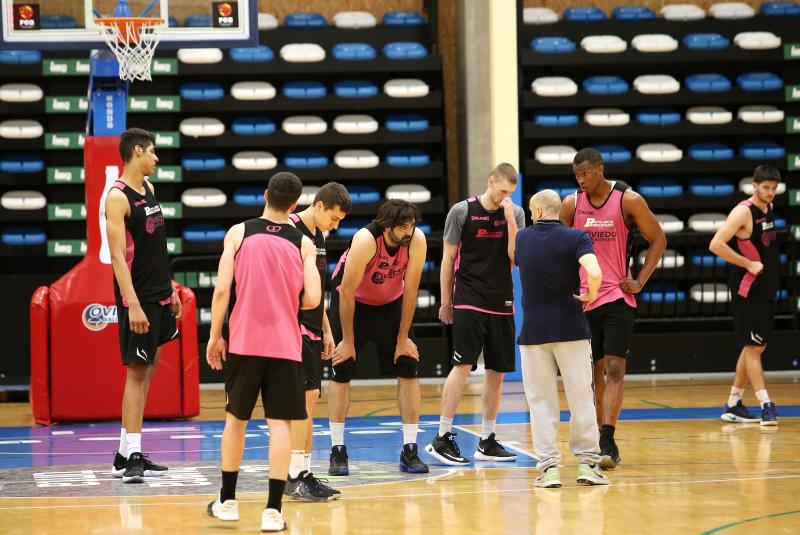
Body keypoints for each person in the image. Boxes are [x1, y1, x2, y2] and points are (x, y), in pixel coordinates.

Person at [205, 172, 321, 532]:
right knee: (281, 425)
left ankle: (227, 501)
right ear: (294, 205)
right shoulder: (303, 243)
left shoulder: (239, 232)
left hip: (243, 342)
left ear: (266, 194)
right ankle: (272, 511)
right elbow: (313, 299)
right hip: (286, 345)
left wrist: (214, 336)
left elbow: (223, 290)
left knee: (235, 420)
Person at [560, 148, 666, 469]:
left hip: (618, 299)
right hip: (584, 300)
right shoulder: (570, 205)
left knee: (615, 368)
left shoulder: (627, 200)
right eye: (576, 175)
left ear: (600, 169)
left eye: (586, 174)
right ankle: (593, 435)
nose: (580, 180)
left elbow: (658, 239)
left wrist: (640, 280)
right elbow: (561, 248)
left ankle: (607, 436)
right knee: (592, 374)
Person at [426, 163, 525, 465]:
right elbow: (447, 259)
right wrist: (446, 301)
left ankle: (487, 439)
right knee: (463, 365)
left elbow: (516, 257)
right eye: (502, 190)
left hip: (502, 301)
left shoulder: (516, 214)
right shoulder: (461, 211)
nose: (504, 197)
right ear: (490, 181)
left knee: (497, 372)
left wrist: (510, 221)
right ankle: (442, 436)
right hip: (468, 299)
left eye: (510, 193)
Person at [325, 199, 429, 475]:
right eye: (403, 227)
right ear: (387, 227)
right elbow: (346, 292)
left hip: (389, 304)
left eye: (412, 225)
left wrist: (403, 337)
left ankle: (410, 450)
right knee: (341, 369)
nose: (409, 231)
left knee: (408, 365)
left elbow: (411, 290)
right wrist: (347, 341)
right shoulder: (365, 240)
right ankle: (337, 450)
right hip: (353, 302)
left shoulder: (416, 240)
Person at [516, 190, 609, 488]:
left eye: (532, 211)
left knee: (541, 401)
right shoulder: (577, 237)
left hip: (533, 333)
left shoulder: (522, 238)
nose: (531, 216)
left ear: (540, 212)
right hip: (571, 329)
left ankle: (548, 469)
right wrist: (591, 295)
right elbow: (594, 271)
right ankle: (588, 466)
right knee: (581, 398)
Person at [106, 127, 180, 484]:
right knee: (136, 373)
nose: (156, 157)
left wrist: (173, 289)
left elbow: (156, 247)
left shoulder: (149, 190)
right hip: (139, 299)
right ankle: (133, 454)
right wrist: (131, 304)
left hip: (160, 294)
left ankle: (125, 452)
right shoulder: (117, 198)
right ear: (137, 152)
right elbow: (118, 258)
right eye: (152, 151)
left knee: (147, 369)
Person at [285, 182, 351, 501]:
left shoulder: (320, 236)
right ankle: (297, 474)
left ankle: (301, 471)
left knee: (309, 399)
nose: (335, 226)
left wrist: (326, 329)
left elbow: (318, 290)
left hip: (313, 328)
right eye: (334, 219)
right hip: (292, 328)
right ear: (320, 206)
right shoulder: (290, 229)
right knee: (304, 401)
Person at [710, 164, 781, 426]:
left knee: (755, 346)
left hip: (764, 290)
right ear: (754, 185)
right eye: (766, 188)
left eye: (774, 188)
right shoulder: (743, 212)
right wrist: (748, 264)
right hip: (747, 290)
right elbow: (715, 244)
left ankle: (733, 404)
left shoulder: (767, 207)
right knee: (753, 348)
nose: (770, 192)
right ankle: (766, 405)